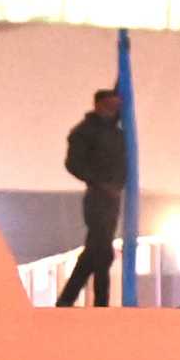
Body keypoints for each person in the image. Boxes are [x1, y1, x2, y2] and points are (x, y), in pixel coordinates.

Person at [53, 89, 126, 307]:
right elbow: (73, 163)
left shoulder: (117, 133)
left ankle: (70, 300)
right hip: (98, 197)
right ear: (98, 105)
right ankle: (94, 302)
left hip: (112, 197)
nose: (114, 110)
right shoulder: (84, 132)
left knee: (98, 250)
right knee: (101, 251)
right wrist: (98, 182)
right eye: (110, 105)